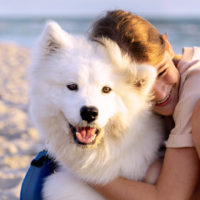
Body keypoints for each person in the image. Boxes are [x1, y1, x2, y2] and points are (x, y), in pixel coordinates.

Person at [89, 9, 200, 199]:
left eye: (162, 72)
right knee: (154, 171)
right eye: (141, 82)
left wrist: (84, 172)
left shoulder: (194, 89)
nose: (158, 92)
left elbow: (168, 197)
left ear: (167, 46)